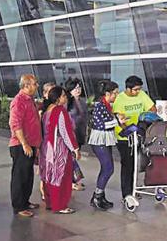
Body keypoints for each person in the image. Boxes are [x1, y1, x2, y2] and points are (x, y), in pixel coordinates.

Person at [112, 75, 156, 202]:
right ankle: (127, 194)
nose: (138, 92)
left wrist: (146, 116)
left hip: (139, 134)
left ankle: (133, 190)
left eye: (139, 89)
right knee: (128, 164)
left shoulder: (141, 94)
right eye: (135, 90)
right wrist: (130, 130)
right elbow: (119, 120)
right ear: (128, 89)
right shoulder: (120, 99)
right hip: (124, 138)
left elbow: (152, 108)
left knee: (137, 164)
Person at [39, 86, 80, 214]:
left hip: (46, 148)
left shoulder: (46, 111)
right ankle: (60, 205)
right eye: (63, 95)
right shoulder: (60, 111)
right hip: (59, 148)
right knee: (61, 175)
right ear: (57, 99)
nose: (65, 97)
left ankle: (51, 203)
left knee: (49, 175)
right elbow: (65, 132)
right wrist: (75, 148)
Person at [88, 80, 126, 210]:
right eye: (115, 93)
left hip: (105, 139)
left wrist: (116, 118)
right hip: (100, 140)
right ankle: (97, 197)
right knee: (108, 168)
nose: (117, 95)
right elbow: (101, 124)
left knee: (107, 168)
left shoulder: (106, 105)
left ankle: (99, 195)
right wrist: (117, 120)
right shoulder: (99, 105)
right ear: (107, 93)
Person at [8, 74, 42, 217]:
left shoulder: (30, 100)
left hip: (31, 144)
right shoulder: (19, 101)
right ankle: (19, 206)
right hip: (21, 145)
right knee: (20, 176)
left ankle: (25, 201)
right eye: (35, 83)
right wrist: (24, 144)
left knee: (28, 176)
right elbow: (15, 124)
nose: (37, 86)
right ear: (26, 85)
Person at [67, 78, 88, 191]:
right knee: (71, 158)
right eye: (75, 88)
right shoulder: (67, 103)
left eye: (79, 87)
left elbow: (85, 118)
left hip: (80, 132)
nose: (77, 90)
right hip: (71, 134)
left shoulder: (82, 102)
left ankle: (74, 179)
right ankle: (72, 180)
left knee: (74, 157)